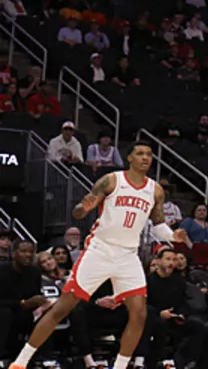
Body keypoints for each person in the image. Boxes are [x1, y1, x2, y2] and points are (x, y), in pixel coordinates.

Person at [11, 143, 177, 369]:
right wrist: (82, 209)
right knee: (62, 308)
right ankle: (20, 362)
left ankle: (119, 366)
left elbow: (158, 225)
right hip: (100, 249)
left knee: (139, 314)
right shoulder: (111, 180)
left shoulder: (155, 189)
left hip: (128, 255)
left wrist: (173, 235)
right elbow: (80, 209)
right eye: (140, 153)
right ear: (129, 157)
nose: (145, 157)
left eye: (149, 154)